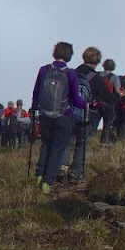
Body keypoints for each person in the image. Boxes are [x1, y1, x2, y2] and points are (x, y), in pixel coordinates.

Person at [31, 42, 88, 194]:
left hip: (44, 114)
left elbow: (36, 92)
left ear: (54, 52)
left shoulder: (44, 70)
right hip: (64, 116)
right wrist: (86, 104)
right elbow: (76, 99)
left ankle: (39, 175)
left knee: (45, 144)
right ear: (69, 55)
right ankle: (47, 183)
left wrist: (34, 108)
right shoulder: (70, 73)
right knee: (57, 148)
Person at [68, 46, 102, 183]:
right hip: (85, 115)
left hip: (69, 113)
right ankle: (75, 173)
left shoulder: (72, 73)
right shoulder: (96, 77)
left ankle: (62, 167)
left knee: (67, 143)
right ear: (97, 60)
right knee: (81, 144)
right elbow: (108, 97)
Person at [95, 59, 122, 143]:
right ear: (113, 67)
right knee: (107, 125)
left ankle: (91, 141)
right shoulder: (114, 77)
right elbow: (118, 91)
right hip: (109, 103)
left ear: (103, 65)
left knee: (94, 124)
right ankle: (103, 142)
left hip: (97, 103)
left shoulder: (97, 75)